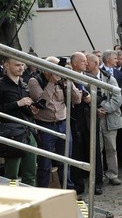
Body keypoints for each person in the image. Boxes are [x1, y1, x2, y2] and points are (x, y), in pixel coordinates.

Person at [28, 56, 82, 188]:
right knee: (45, 162)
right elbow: (42, 103)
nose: (58, 72)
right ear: (46, 70)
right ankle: (44, 191)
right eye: (55, 69)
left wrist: (69, 81)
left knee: (65, 160)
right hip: (45, 125)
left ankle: (68, 190)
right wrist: (51, 83)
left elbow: (77, 99)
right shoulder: (35, 81)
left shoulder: (62, 80)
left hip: (63, 124)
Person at [86, 53, 122, 186]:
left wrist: (104, 108)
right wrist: (95, 110)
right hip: (94, 118)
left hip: (109, 119)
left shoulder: (109, 79)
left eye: (87, 62)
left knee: (111, 148)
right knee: (97, 149)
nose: (85, 65)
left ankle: (113, 174)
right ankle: (99, 176)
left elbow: (117, 99)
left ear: (95, 64)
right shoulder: (84, 79)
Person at [0, 57, 38, 186]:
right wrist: (17, 104)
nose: (21, 67)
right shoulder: (1, 85)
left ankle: (30, 202)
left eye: (22, 64)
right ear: (6, 65)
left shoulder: (24, 84)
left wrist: (31, 110)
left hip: (27, 130)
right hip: (11, 132)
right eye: (17, 65)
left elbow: (24, 109)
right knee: (11, 174)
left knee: (30, 171)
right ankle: (11, 203)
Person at [70, 52, 104, 195]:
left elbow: (101, 96)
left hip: (90, 118)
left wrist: (92, 99)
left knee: (94, 151)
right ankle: (79, 183)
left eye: (86, 61)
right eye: (83, 61)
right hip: (75, 120)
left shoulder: (91, 79)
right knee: (77, 152)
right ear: (75, 63)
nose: (86, 63)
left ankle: (97, 182)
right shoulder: (68, 77)